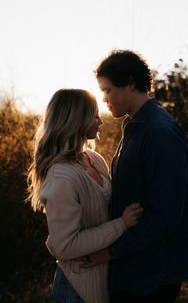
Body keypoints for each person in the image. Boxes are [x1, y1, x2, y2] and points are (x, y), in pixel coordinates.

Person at [85, 50, 188, 303]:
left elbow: (165, 217)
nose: (104, 99)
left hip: (151, 276)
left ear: (131, 83)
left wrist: (110, 252)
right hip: (133, 269)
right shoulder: (134, 126)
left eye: (108, 90)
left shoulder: (160, 133)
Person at [26, 88, 143, 303]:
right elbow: (65, 246)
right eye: (95, 115)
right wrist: (122, 224)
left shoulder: (94, 159)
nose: (100, 121)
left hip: (103, 276)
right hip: (76, 287)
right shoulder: (62, 176)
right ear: (77, 120)